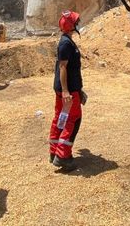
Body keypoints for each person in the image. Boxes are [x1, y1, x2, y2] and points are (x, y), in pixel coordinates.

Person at [49, 10, 85, 172]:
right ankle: (63, 156)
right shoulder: (65, 43)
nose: (77, 24)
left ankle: (54, 151)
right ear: (70, 25)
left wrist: (80, 89)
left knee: (61, 118)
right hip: (68, 90)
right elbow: (63, 66)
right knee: (73, 119)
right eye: (75, 22)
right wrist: (66, 91)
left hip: (69, 88)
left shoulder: (66, 41)